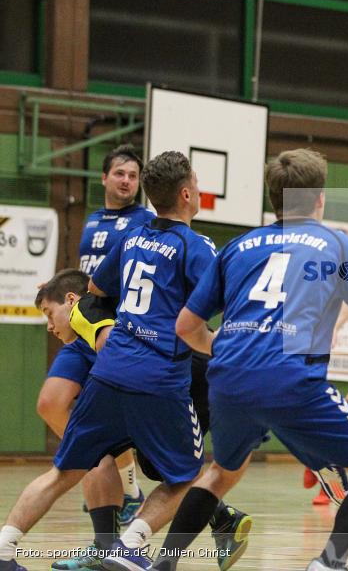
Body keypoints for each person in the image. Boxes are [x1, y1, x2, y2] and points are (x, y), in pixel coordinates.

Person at [147, 148, 348, 571]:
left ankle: (164, 565)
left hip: (228, 380)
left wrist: (224, 349)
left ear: (272, 197)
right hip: (291, 380)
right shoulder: (337, 244)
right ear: (319, 198)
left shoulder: (238, 246)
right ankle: (329, 563)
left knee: (221, 472)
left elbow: (185, 328)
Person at [0, 151, 224, 571]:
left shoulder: (131, 239)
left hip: (108, 371)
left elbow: (92, 294)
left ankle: (4, 549)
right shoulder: (197, 247)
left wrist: (110, 331)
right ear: (187, 193)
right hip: (158, 379)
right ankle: (129, 544)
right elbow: (217, 308)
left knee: (63, 472)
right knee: (189, 477)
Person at [34, 269, 251, 571]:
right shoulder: (90, 311)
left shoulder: (99, 305)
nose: (47, 325)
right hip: (140, 368)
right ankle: (121, 542)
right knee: (153, 464)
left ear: (70, 299)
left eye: (48, 313)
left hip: (194, 376)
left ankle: (182, 537)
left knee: (174, 469)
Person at [38, 144, 155, 529]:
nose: (126, 181)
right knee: (51, 403)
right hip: (84, 328)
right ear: (104, 178)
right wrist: (57, 290)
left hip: (115, 331)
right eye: (120, 173)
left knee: (114, 423)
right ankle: (126, 485)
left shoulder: (145, 220)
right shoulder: (92, 220)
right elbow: (85, 277)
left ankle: (124, 487)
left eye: (133, 176)